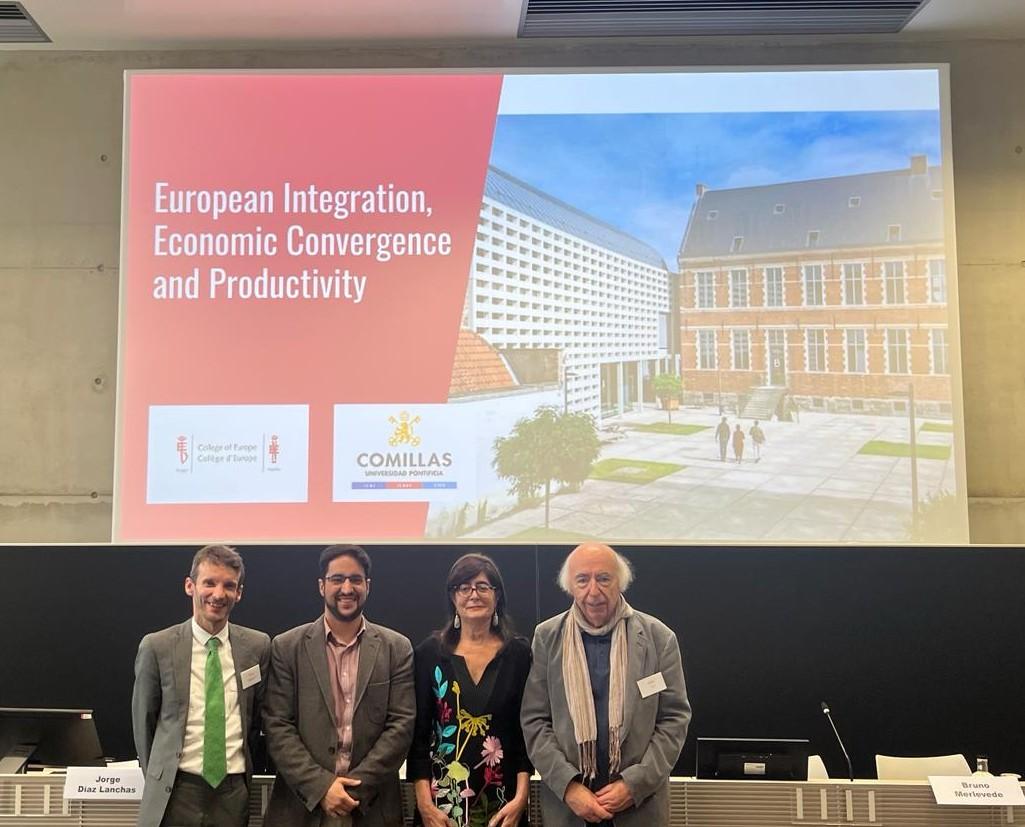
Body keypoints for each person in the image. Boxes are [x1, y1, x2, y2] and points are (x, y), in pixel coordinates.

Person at [521, 543, 691, 827]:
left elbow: (674, 720)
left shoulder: (659, 639)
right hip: (568, 810)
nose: (593, 591)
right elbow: (534, 721)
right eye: (582, 580)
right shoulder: (547, 637)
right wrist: (568, 787)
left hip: (639, 807)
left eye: (603, 578)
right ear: (570, 586)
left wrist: (634, 784)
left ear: (620, 582)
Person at [263, 544, 415, 827]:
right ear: (322, 586)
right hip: (300, 809)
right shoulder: (287, 647)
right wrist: (322, 788)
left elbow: (401, 726)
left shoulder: (396, 648)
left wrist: (351, 792)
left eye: (355, 579)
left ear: (367, 586)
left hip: (372, 810)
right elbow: (277, 725)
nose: (347, 588)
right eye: (337, 579)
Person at [132, 544, 271, 827]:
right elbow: (144, 723)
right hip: (175, 792)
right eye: (209, 583)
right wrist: (161, 775)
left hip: (232, 793)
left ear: (239, 593)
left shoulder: (258, 647)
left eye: (229, 586)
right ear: (190, 586)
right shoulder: (157, 647)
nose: (218, 594)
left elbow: (257, 719)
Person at [408, 553, 532, 827]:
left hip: (504, 806)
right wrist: (424, 805)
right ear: (453, 598)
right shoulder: (430, 654)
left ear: (497, 596)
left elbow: (525, 734)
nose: (473, 594)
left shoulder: (519, 655)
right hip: (442, 807)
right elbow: (418, 738)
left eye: (483, 587)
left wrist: (521, 799)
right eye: (464, 588)